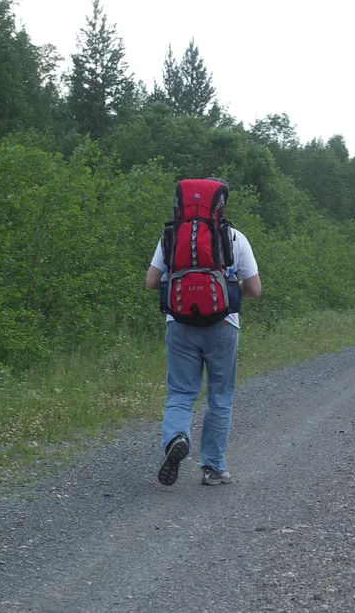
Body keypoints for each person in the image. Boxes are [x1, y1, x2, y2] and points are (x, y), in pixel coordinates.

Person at [145, 183, 261, 487]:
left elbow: (151, 282)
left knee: (181, 393)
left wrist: (184, 291)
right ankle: (213, 467)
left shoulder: (170, 236)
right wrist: (227, 295)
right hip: (223, 325)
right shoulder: (234, 237)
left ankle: (177, 437)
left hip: (179, 322)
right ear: (220, 207)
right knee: (220, 397)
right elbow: (256, 289)